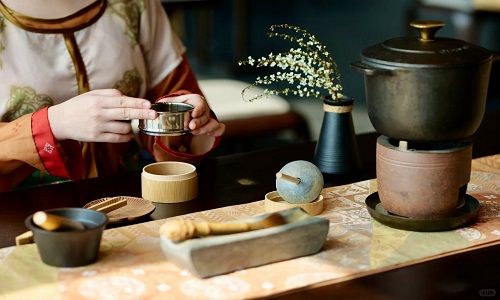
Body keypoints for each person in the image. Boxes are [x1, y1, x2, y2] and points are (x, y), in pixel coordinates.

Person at [0, 0, 225, 191]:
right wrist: (52, 124)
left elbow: (174, 102)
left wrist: (188, 122)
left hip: (131, 190)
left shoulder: (136, 4)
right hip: (24, 203)